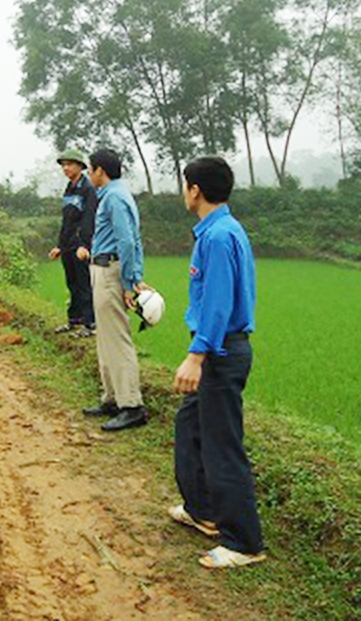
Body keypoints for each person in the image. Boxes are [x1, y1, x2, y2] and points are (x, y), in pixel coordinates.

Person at [170, 156, 266, 568]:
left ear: (195, 190)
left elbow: (218, 302)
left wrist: (197, 355)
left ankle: (243, 542)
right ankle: (202, 509)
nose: (184, 191)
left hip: (220, 351)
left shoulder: (217, 236)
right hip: (217, 347)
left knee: (221, 445)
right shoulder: (221, 229)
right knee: (189, 426)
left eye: (184, 185)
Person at [82, 149, 148, 432]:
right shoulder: (111, 195)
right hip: (102, 269)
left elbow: (128, 240)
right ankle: (112, 397)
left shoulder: (116, 198)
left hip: (111, 271)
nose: (89, 174)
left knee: (117, 338)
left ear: (100, 171)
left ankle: (131, 405)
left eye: (90, 169)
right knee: (105, 338)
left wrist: (131, 282)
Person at [48, 149, 97, 336]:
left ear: (80, 166)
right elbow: (67, 220)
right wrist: (59, 245)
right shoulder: (69, 189)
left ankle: (90, 324)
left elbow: (88, 219)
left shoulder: (88, 189)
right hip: (68, 244)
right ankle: (74, 320)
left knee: (84, 284)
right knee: (72, 283)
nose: (66, 168)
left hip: (80, 246)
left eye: (69, 164)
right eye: (63, 165)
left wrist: (85, 244)